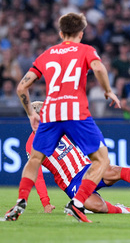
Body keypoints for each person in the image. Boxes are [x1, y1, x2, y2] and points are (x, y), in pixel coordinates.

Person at [6, 13, 120, 223]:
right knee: (102, 159)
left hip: (50, 113)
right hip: (76, 112)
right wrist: (108, 90)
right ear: (81, 33)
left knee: (35, 159)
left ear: (60, 33)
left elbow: (22, 86)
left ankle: (20, 202)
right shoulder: (86, 50)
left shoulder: (47, 54)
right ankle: (77, 205)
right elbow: (98, 67)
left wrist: (31, 112)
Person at [26, 101, 130, 215]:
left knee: (112, 171)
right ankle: (122, 209)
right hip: (72, 183)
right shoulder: (32, 145)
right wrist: (46, 203)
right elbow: (36, 175)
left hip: (88, 168)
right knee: (96, 206)